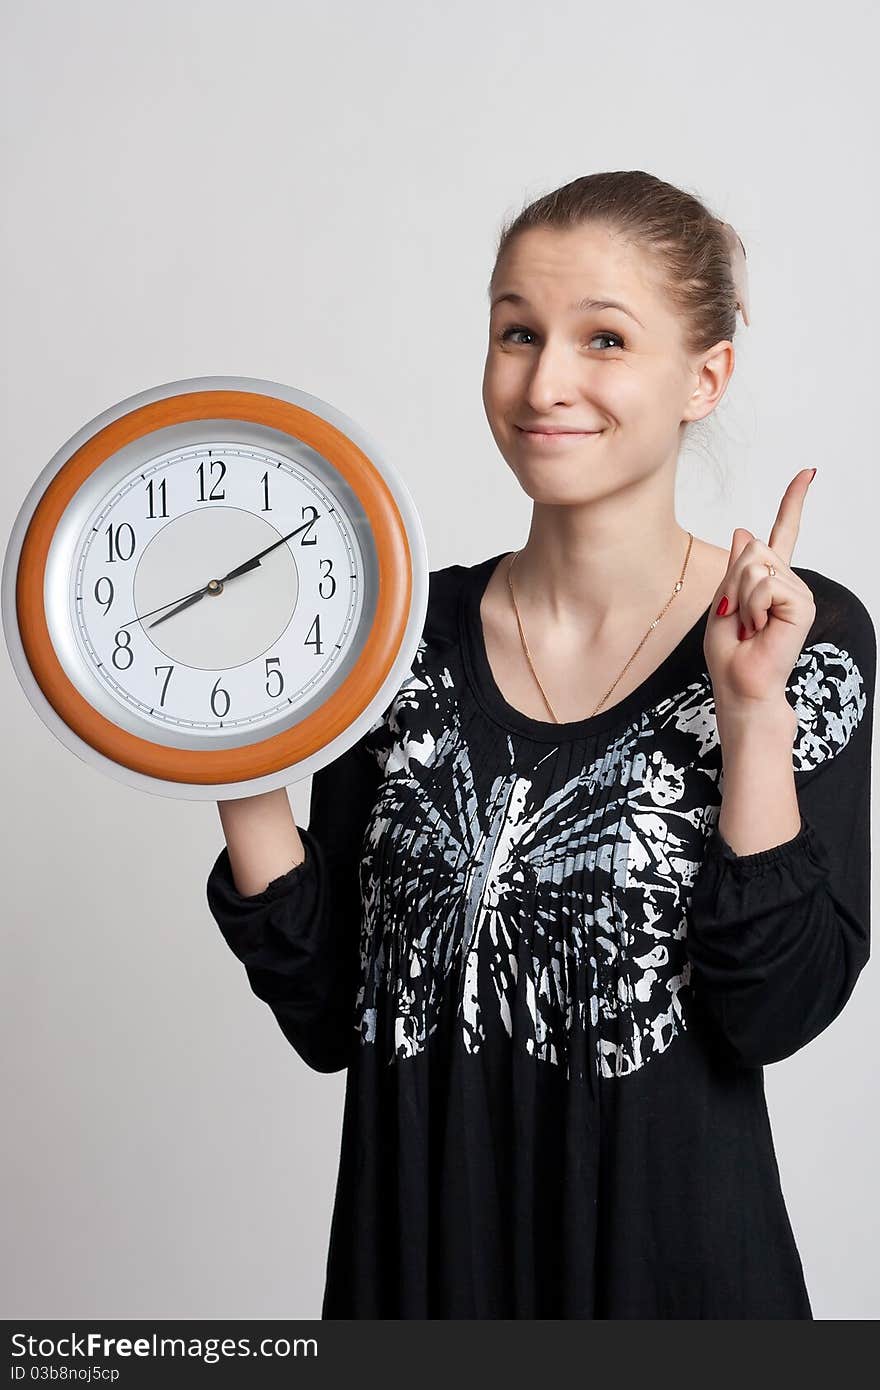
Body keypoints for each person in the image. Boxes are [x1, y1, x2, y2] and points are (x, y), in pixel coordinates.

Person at [206, 170, 875, 1318]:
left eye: (603, 338)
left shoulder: (800, 637)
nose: (544, 381)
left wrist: (752, 715)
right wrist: (233, 751)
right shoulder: (391, 634)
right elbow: (331, 1017)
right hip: (417, 1291)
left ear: (704, 376)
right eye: (516, 331)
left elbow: (775, 1010)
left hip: (674, 1296)